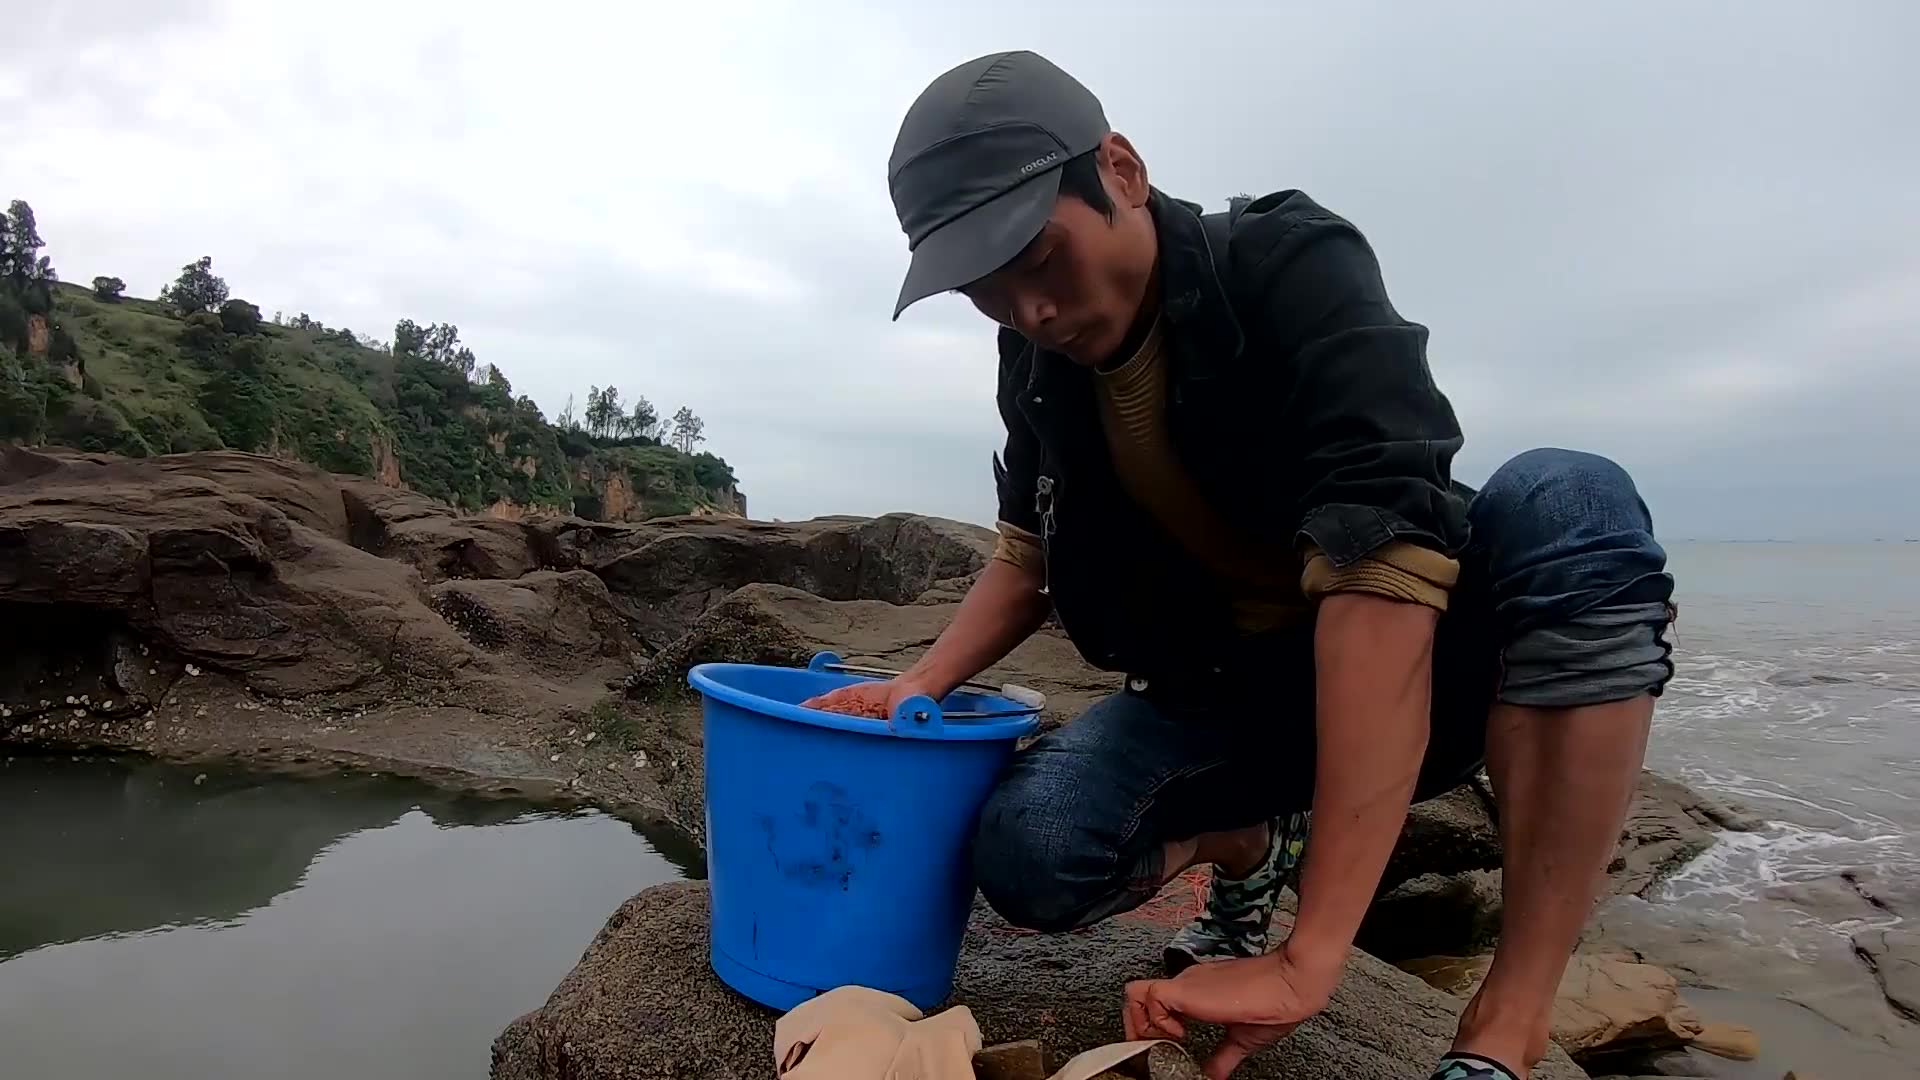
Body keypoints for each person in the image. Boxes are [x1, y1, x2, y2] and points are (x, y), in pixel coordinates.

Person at [806, 50, 1675, 1080]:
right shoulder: (1036, 363)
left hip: (1424, 672)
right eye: (984, 290)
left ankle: (1508, 1019)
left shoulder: (1289, 264)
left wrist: (1311, 958)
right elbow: (1025, 556)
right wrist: (917, 683)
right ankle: (1245, 848)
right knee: (1029, 859)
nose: (1027, 309)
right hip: (1221, 697)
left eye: (1037, 257)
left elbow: (1380, 569)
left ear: (1120, 171)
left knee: (1573, 501)